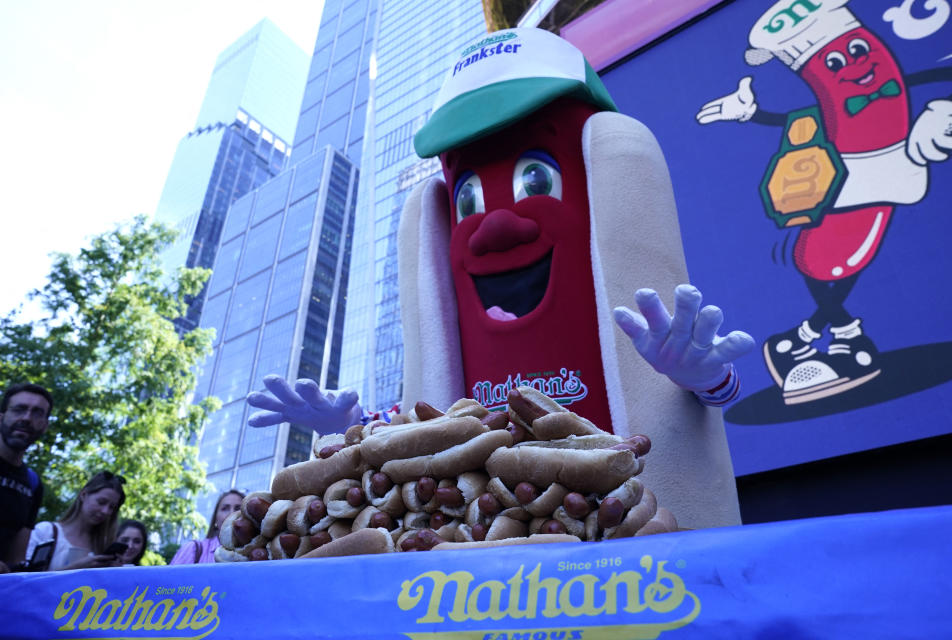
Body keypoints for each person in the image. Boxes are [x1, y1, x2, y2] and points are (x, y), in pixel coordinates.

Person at [247, 28, 755, 531]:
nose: (494, 227)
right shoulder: (451, 308)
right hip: (495, 556)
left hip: (639, 549)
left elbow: (712, 394)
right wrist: (351, 428)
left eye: (536, 179)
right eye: (469, 198)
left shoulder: (645, 320)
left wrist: (699, 375)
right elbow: (427, 427)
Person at [25, 470, 126, 570]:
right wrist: (76, 569)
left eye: (112, 507)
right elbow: (25, 579)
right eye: (101, 502)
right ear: (83, 495)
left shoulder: (103, 545)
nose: (105, 511)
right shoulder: (46, 532)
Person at [0, 382, 52, 573]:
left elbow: (16, 558)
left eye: (38, 413)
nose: (27, 418)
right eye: (19, 409)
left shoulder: (33, 484)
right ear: (2, 417)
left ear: (45, 426)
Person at [169, 489, 243, 564]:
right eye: (225, 508)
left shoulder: (253, 555)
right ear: (215, 519)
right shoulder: (193, 549)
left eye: (238, 508)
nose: (231, 513)